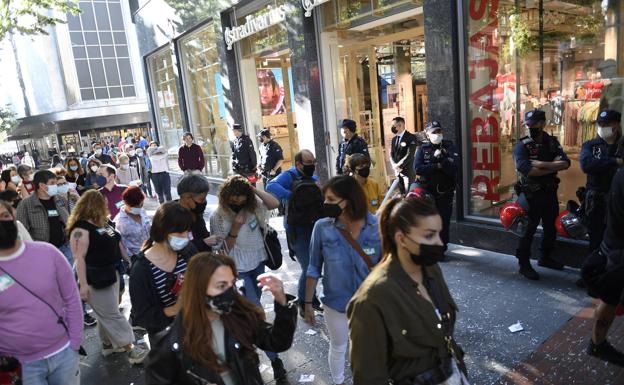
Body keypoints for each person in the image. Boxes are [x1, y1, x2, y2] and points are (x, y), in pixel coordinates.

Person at [347, 194, 468, 384]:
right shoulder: (372, 299)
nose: (440, 243)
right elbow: (368, 377)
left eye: (439, 233)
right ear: (401, 239)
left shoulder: (431, 269)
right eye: (429, 235)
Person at [144, 252, 297, 385]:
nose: (230, 292)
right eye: (221, 286)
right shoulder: (171, 343)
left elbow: (277, 342)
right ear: (199, 289)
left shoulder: (240, 316)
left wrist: (282, 301)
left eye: (232, 284)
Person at [209, 175, 289, 381]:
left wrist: (252, 189)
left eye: (241, 198)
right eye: (233, 200)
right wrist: (234, 229)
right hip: (238, 269)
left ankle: (251, 345)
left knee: (252, 309)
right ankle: (274, 360)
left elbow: (274, 203)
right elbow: (222, 252)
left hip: (258, 262)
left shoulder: (254, 208)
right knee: (256, 312)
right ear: (225, 198)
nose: (237, 203)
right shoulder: (218, 216)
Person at [304, 175, 381, 385]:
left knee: (367, 350)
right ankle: (338, 382)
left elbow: (386, 268)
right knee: (338, 347)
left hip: (369, 305)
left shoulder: (376, 227)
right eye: (325, 198)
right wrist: (308, 304)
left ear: (348, 200)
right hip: (335, 303)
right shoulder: (322, 228)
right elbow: (313, 267)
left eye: (331, 199)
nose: (325, 204)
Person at [0, 201, 83, 385]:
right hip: (19, 366)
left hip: (64, 354)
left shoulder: (48, 253)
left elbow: (72, 299)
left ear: (14, 218)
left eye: (4, 216)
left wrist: (75, 343)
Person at [67, 190, 147, 364]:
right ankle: (131, 349)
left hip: (112, 273)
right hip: (94, 277)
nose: (105, 205)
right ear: (93, 206)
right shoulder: (80, 229)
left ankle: (108, 345)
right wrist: (83, 285)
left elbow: (118, 243)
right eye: (102, 203)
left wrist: (129, 261)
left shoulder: (105, 223)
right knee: (112, 314)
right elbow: (79, 259)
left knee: (106, 313)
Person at [512, 109, 571, 280]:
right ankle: (524, 264)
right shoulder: (522, 145)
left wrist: (542, 164)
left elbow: (566, 163)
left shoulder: (552, 142)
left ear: (543, 123)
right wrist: (553, 166)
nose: (531, 127)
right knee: (528, 230)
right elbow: (528, 171)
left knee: (550, 228)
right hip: (531, 195)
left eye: (535, 124)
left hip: (549, 193)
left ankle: (545, 257)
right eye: (528, 124)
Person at [266, 150, 324, 313]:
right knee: (308, 267)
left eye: (313, 161)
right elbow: (270, 185)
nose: (312, 165)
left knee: (314, 266)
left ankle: (310, 299)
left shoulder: (312, 178)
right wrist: (291, 195)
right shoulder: (289, 176)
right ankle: (305, 301)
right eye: (308, 162)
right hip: (297, 231)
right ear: (298, 164)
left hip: (313, 227)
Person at [129, 202, 197, 338]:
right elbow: (142, 316)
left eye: (187, 231)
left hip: (196, 329)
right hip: (167, 339)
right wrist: (174, 309)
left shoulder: (188, 251)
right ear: (163, 231)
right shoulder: (141, 269)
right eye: (180, 232)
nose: (186, 236)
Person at [583, 166, 624, 366]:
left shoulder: (619, 173)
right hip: (618, 251)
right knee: (610, 299)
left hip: (614, 246)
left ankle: (597, 343)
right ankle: (597, 344)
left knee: (610, 299)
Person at [580, 109, 623, 252]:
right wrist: (615, 161)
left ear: (616, 125)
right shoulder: (590, 145)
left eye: (606, 124)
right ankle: (593, 271)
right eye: (600, 124)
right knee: (595, 239)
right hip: (596, 200)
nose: (602, 127)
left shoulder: (621, 146)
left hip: (618, 201)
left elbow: (594, 164)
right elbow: (587, 165)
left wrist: (601, 163)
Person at [413, 121, 459, 251]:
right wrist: (436, 165)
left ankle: (441, 249)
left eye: (439, 131)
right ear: (427, 134)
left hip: (445, 192)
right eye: (434, 132)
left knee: (444, 222)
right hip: (428, 193)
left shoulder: (449, 147)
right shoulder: (422, 149)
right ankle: (430, 248)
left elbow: (454, 168)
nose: (437, 134)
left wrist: (443, 160)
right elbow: (418, 169)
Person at [16, 170, 72, 264]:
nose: (56, 186)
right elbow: (22, 232)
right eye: (52, 183)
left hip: (64, 247)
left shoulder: (60, 199)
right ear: (42, 185)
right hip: (42, 252)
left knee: (68, 275)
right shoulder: (25, 205)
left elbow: (68, 219)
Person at [177, 174, 221, 252]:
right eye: (201, 199)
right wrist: (204, 242)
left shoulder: (196, 212)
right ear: (187, 197)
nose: (204, 202)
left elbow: (201, 234)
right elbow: (176, 247)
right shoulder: (172, 216)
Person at [113, 186, 151, 258]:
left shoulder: (142, 211)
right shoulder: (120, 222)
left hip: (150, 253)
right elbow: (122, 246)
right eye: (136, 207)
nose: (139, 208)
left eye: (141, 205)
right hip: (136, 259)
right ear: (126, 203)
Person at [390, 116, 419, 193]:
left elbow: (410, 154)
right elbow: (392, 154)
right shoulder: (394, 139)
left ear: (400, 125)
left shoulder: (411, 137)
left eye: (393, 126)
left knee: (409, 195)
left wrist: (399, 165)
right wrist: (394, 165)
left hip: (408, 172)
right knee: (402, 195)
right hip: (398, 172)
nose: (392, 128)